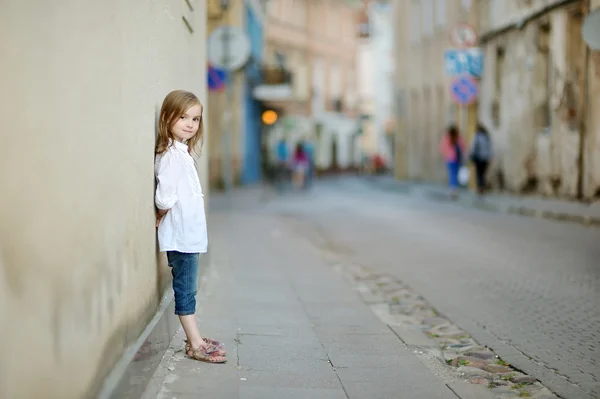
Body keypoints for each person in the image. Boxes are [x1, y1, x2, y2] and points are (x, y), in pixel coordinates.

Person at [154, 90, 226, 363]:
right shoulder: (172, 155)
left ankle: (195, 339)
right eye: (182, 117)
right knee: (186, 289)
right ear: (166, 117)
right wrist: (161, 213)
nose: (189, 124)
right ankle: (195, 343)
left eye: (195, 119)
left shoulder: (181, 153)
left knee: (188, 288)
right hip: (182, 238)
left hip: (189, 236)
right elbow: (164, 196)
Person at [440, 125, 466, 198]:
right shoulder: (459, 137)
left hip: (450, 159)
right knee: (456, 175)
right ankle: (455, 189)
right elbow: (463, 147)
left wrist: (446, 154)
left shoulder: (447, 138)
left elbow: (443, 147)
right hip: (458, 159)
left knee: (452, 174)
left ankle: (453, 189)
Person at [469, 123, 493, 195]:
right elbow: (490, 148)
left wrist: (471, 155)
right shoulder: (487, 137)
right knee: (483, 173)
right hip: (485, 158)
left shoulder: (477, 136)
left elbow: (473, 146)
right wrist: (490, 157)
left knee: (479, 173)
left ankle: (480, 187)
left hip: (479, 157)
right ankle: (482, 187)